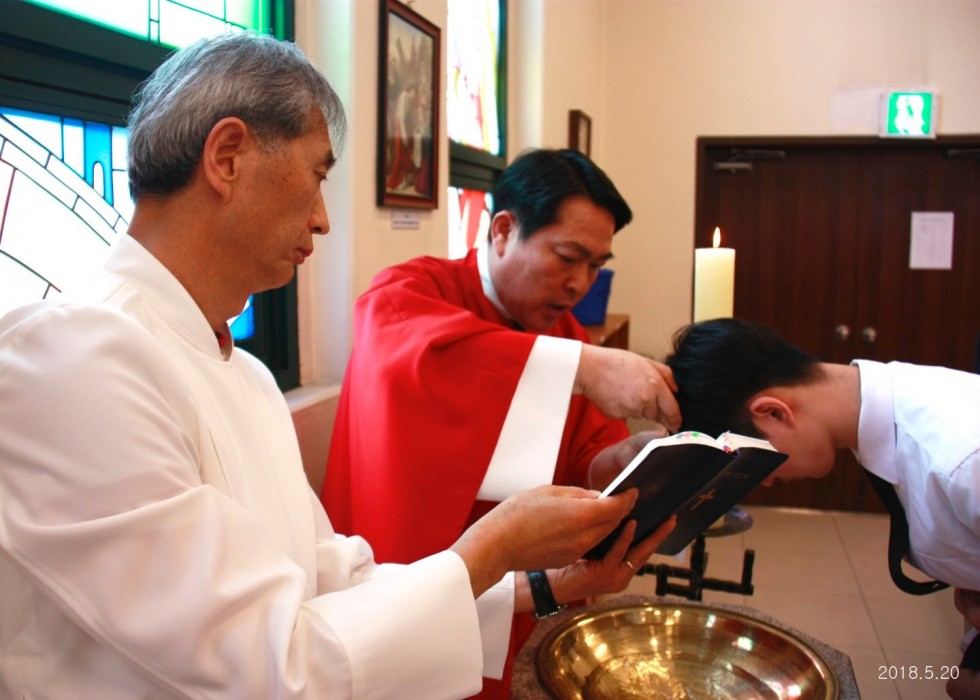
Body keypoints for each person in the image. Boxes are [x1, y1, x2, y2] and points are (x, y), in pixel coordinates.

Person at [0, 33, 675, 699]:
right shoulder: (74, 354)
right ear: (228, 158)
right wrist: (492, 546)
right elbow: (264, 666)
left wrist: (542, 583)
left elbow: (332, 581)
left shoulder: (247, 375)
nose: (324, 220)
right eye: (318, 175)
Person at [322, 147, 681, 697]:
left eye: (596, 266)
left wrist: (628, 458)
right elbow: (416, 359)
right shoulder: (407, 293)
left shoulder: (564, 335)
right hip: (405, 581)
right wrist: (585, 369)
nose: (580, 284)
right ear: (504, 230)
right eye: (569, 257)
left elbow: (585, 459)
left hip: (519, 593)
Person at [664, 317, 980, 692]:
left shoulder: (962, 461)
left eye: (750, 461)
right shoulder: (894, 405)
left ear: (774, 412)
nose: (763, 480)